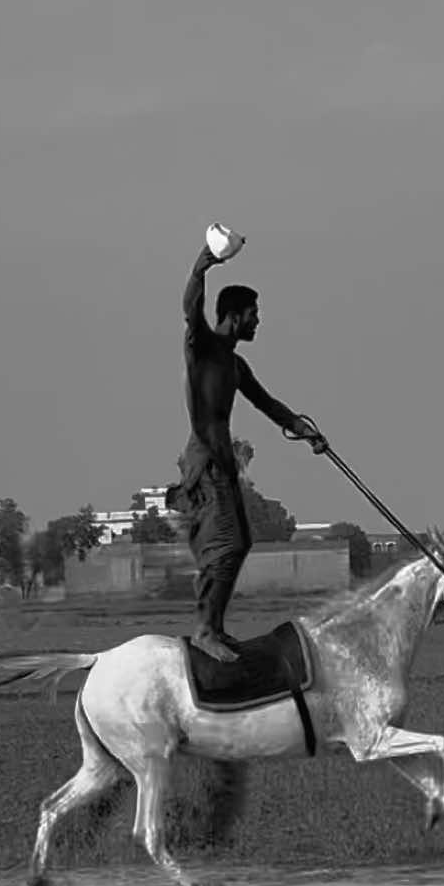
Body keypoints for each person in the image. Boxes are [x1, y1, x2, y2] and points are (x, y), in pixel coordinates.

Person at [166, 227, 328, 662]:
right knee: (228, 545)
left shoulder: (236, 364)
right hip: (205, 464)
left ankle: (213, 627)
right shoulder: (202, 347)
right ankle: (204, 631)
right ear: (235, 315)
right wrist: (205, 261)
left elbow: (267, 403)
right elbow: (190, 307)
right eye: (254, 313)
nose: (259, 320)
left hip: (223, 464)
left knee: (242, 543)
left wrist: (303, 429)